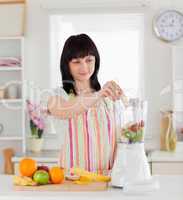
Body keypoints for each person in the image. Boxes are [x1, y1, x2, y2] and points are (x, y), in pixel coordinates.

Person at [43, 33, 126, 175]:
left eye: (89, 60)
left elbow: (125, 133)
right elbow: (67, 109)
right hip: (72, 180)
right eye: (76, 62)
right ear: (67, 65)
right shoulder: (56, 96)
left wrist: (123, 98)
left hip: (109, 179)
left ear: (96, 61)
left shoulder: (109, 97)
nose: (84, 67)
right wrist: (99, 94)